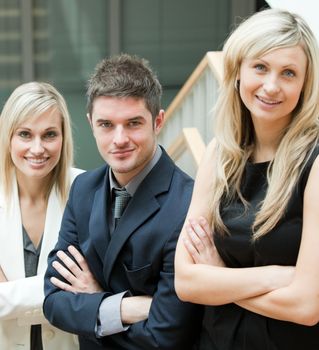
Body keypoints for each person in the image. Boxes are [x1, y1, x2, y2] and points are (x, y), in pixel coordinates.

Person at [174, 8, 319, 350]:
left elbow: (306, 305)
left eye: (288, 73)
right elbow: (186, 281)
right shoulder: (219, 155)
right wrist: (274, 277)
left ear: (304, 84)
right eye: (260, 67)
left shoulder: (315, 163)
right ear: (238, 71)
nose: (271, 86)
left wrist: (220, 277)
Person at [43, 54, 203, 349]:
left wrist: (93, 302)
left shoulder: (188, 204)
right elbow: (53, 301)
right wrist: (128, 307)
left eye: (133, 123)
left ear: (158, 121)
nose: (119, 139)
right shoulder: (83, 189)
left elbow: (165, 336)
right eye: (106, 124)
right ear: (91, 123)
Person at [0, 82, 83, 349]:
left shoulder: (87, 190)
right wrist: (60, 287)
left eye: (49, 134)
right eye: (25, 134)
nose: (37, 148)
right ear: (8, 137)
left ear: (63, 137)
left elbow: (97, 287)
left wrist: (9, 296)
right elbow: (75, 289)